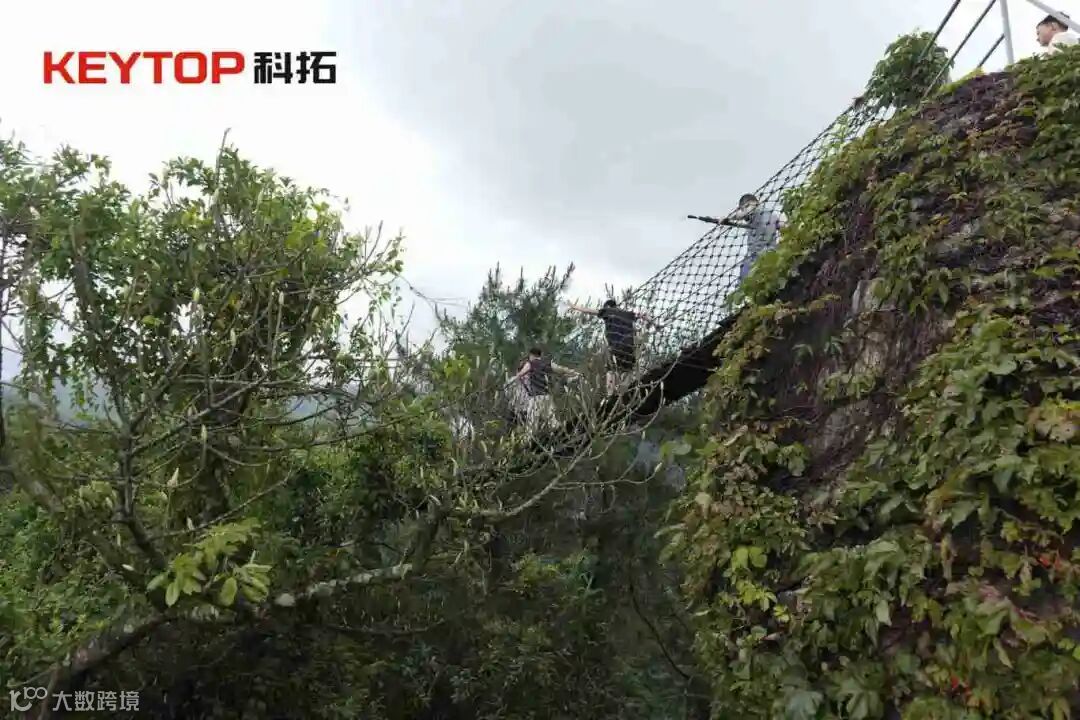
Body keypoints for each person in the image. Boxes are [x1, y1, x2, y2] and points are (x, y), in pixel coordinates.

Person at [568, 300, 658, 393]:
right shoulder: (627, 314)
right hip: (629, 348)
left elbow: (588, 310)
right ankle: (624, 391)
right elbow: (642, 315)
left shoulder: (607, 311)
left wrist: (574, 306)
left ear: (607, 306)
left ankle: (610, 394)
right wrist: (655, 324)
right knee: (629, 370)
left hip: (616, 348)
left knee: (610, 371)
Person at [513, 346, 580, 435]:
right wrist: (575, 373)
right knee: (554, 423)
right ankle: (566, 434)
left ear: (531, 355)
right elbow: (561, 369)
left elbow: (520, 374)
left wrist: (518, 376)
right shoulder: (548, 363)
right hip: (547, 397)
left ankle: (529, 441)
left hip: (536, 398)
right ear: (540, 355)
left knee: (531, 426)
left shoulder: (530, 363)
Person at [723, 193, 785, 281]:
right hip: (771, 254)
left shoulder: (753, 210)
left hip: (754, 258)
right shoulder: (772, 214)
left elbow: (743, 213)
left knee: (745, 282)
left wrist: (728, 218)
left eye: (744, 207)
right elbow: (784, 226)